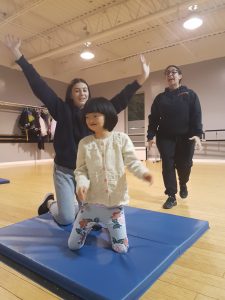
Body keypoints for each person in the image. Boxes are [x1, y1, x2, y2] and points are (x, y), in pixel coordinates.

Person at [5, 35, 150, 226]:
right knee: (67, 218)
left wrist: (140, 80)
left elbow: (119, 101)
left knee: (94, 220)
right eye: (77, 90)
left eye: (85, 90)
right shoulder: (60, 109)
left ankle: (77, 205)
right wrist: (18, 56)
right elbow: (39, 86)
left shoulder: (95, 115)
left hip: (87, 173)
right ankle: (50, 202)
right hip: (64, 171)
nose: (82, 93)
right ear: (71, 94)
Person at [68, 97, 153, 253]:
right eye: (87, 116)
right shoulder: (85, 143)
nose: (90, 119)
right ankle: (55, 206)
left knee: (121, 249)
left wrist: (144, 173)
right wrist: (82, 184)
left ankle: (109, 227)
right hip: (90, 206)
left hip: (114, 206)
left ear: (107, 115)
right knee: (73, 245)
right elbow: (81, 170)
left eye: (95, 115)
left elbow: (133, 162)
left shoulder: (121, 139)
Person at [147, 65, 203, 209]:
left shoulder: (190, 94)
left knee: (185, 165)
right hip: (165, 138)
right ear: (166, 78)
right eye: (167, 73)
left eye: (173, 72)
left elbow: (196, 116)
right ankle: (171, 195)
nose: (170, 74)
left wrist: (197, 134)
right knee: (167, 165)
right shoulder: (160, 98)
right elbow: (153, 118)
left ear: (180, 76)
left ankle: (183, 182)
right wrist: (151, 135)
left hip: (186, 137)